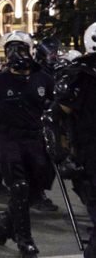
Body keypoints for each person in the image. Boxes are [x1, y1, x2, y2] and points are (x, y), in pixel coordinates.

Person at [0, 31, 52, 258]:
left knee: (36, 187)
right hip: (8, 137)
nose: (14, 54)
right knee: (19, 187)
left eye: (19, 48)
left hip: (35, 138)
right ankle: (25, 240)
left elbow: (58, 102)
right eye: (10, 49)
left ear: (29, 50)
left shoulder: (43, 77)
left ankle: (7, 222)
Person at [52, 21, 96, 257]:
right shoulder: (81, 75)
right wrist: (59, 150)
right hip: (87, 151)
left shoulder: (79, 74)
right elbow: (56, 114)